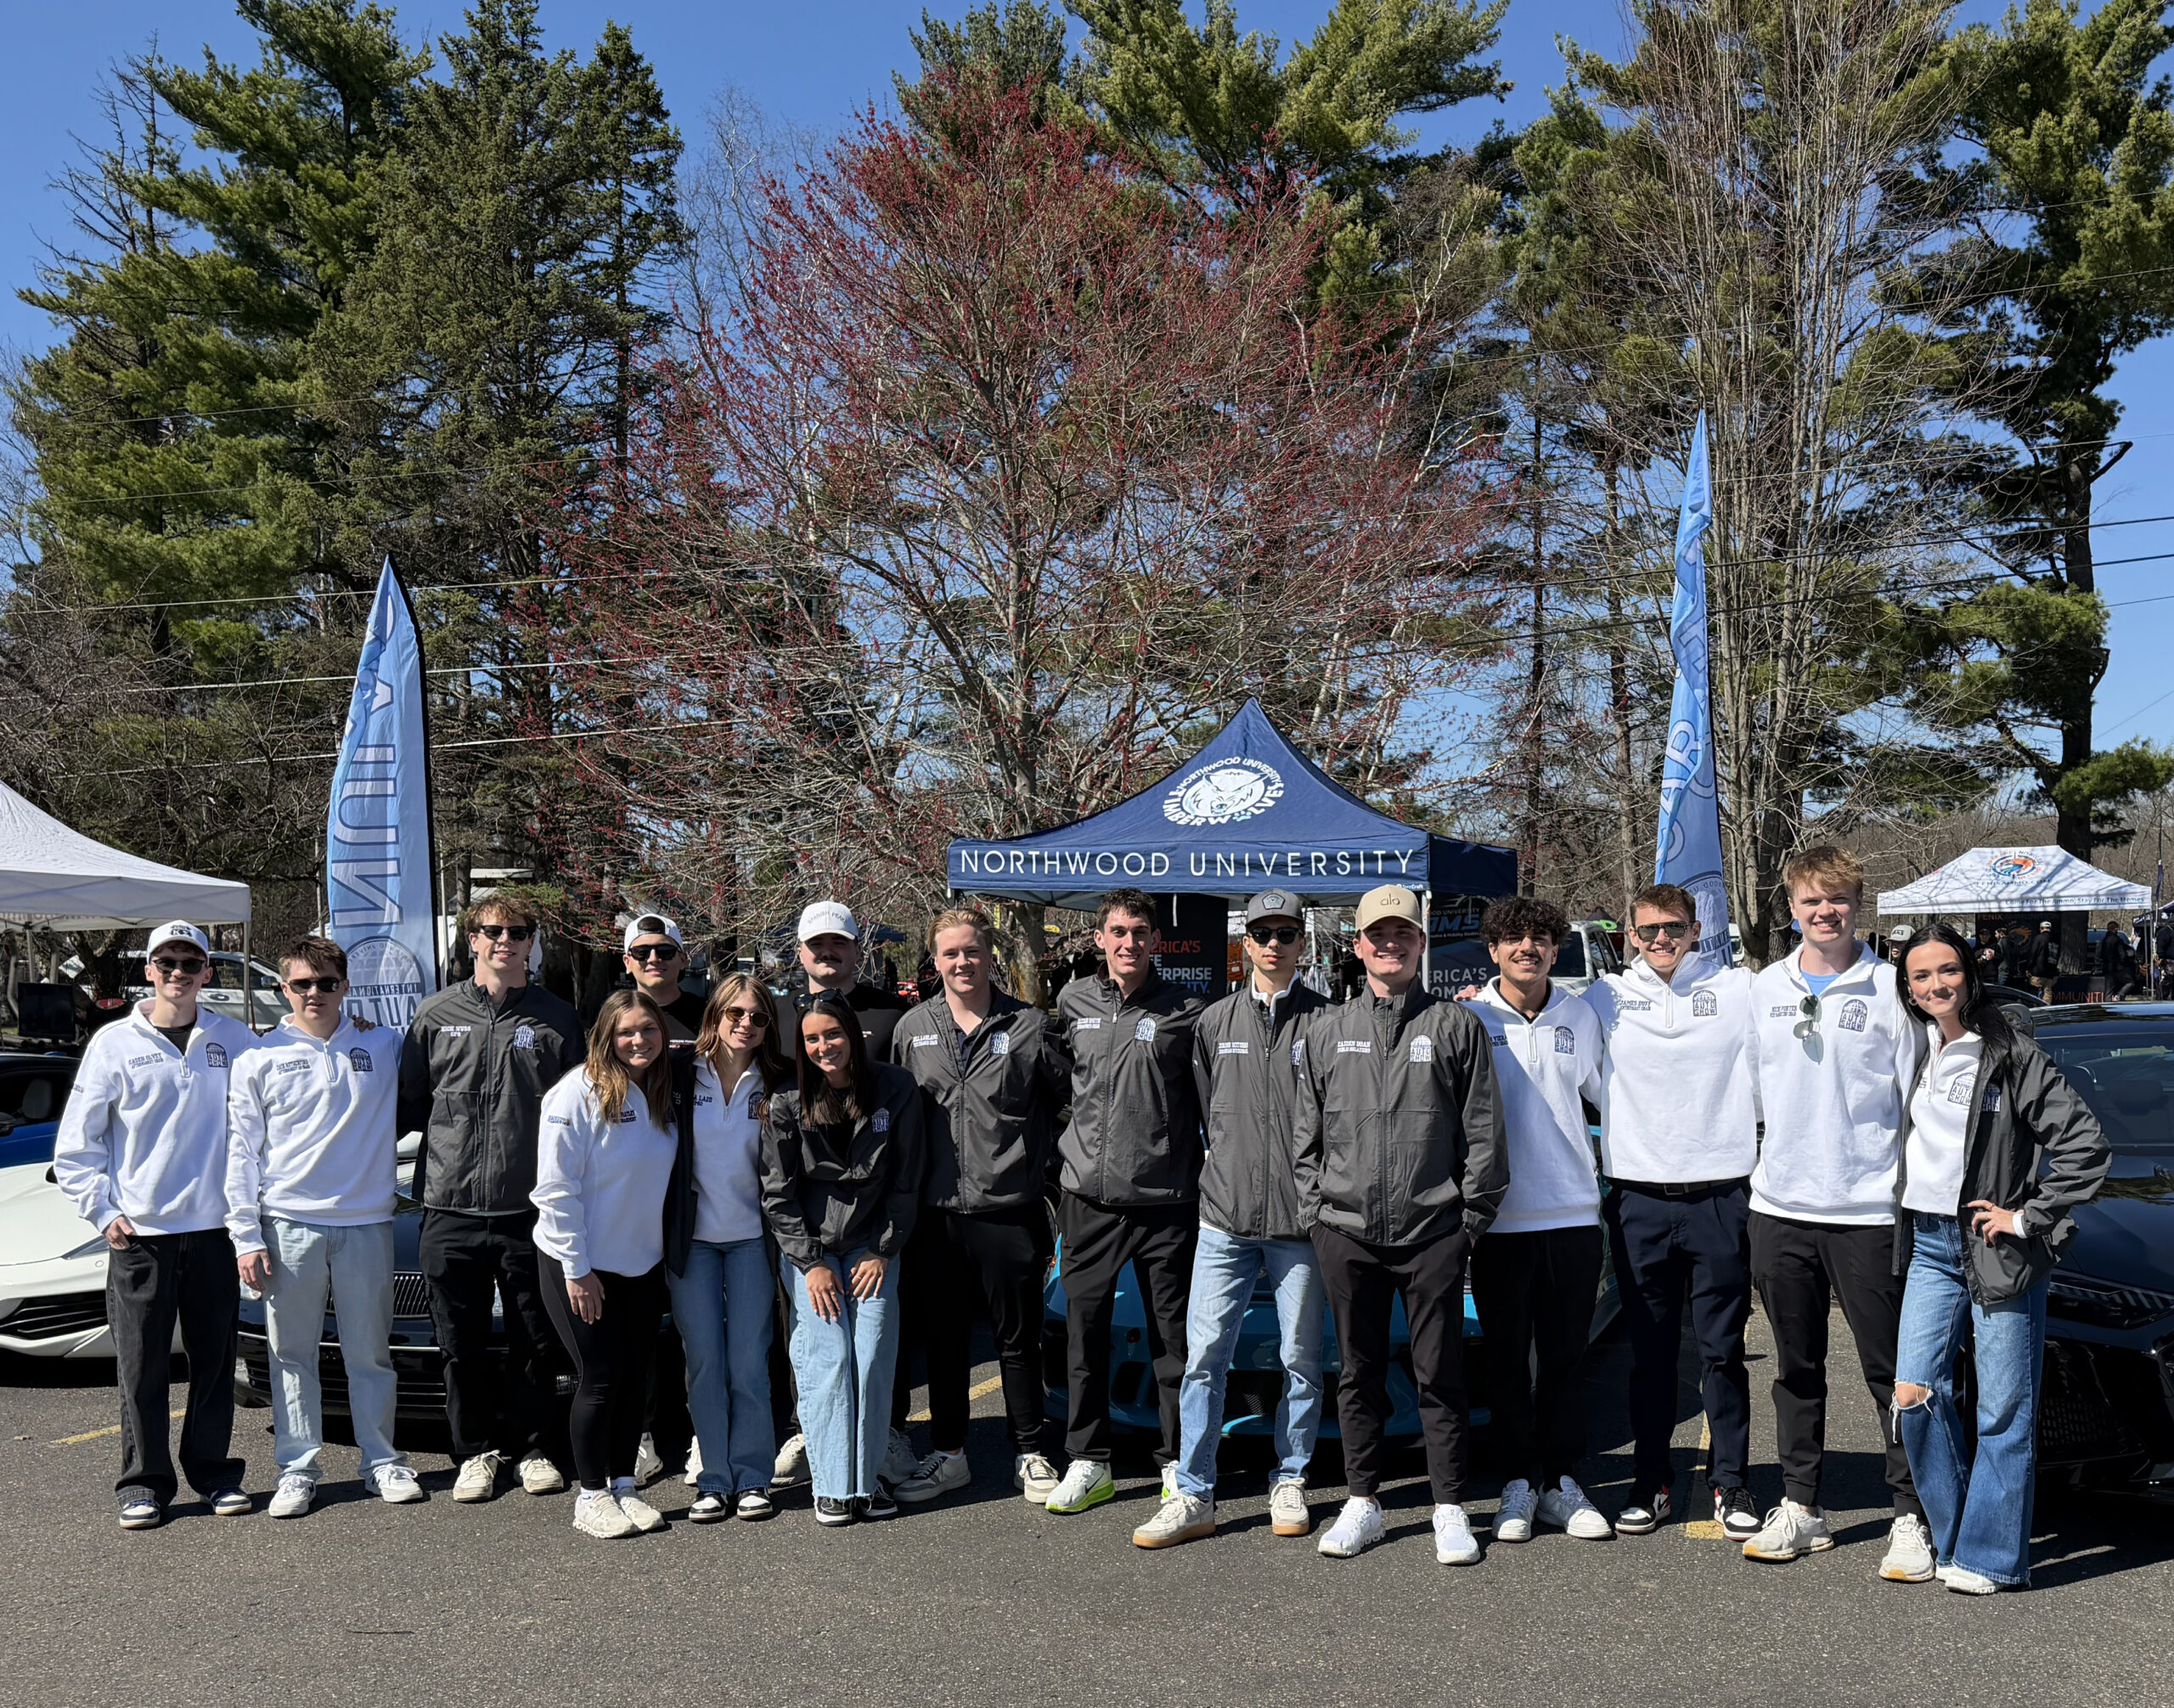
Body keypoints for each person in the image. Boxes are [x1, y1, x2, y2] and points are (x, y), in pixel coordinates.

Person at [1892, 923, 2109, 1593]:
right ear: (1908, 986)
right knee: (1913, 1394)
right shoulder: (1920, 1046)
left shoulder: (2009, 1048)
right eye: (1922, 975)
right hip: (1928, 1244)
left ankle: (1990, 1558)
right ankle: (1958, 1535)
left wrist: (2028, 1215)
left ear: (1970, 970)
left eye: (1947, 970)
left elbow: (2084, 1145)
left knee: (2004, 1411)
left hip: (1994, 1247)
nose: (1936, 984)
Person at [1294, 884, 1507, 1567]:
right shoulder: (1325, 1030)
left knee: (1437, 1373)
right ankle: (1365, 1500)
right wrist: (1317, 1215)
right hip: (1347, 1231)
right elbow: (1304, 1135)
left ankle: (1449, 1505)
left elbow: (1483, 1132)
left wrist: (1470, 1218)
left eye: (1403, 934)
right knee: (1356, 1371)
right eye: (1377, 935)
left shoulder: (1455, 1026)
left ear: (1421, 943)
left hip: (1433, 1231)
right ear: (1357, 946)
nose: (1390, 945)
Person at [1743, 846, 1930, 1580]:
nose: (1826, 912)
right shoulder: (1764, 987)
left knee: (1892, 1372)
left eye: (1839, 900)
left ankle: (1912, 1512)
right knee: (1796, 1368)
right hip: (1781, 1205)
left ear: (1859, 905)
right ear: (1791, 908)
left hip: (1868, 1210)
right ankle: (1802, 1505)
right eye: (1812, 901)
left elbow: (1917, 1094)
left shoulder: (1890, 987)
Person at [1133, 889, 1328, 1549]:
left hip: (1301, 1224)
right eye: (1263, 932)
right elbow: (1206, 1113)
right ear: (1245, 942)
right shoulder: (1214, 1022)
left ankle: (1291, 1475)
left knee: (1301, 1358)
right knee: (1203, 1357)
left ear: (1304, 941)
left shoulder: (1327, 1021)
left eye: (1287, 932)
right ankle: (1193, 1490)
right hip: (1224, 1219)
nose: (1275, 943)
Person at [54, 922, 261, 1529]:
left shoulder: (236, 1039)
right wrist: (103, 1209)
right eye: (166, 961)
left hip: (216, 1231)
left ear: (206, 972)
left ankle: (214, 1471)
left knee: (215, 1362)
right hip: (141, 1234)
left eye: (189, 962)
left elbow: (270, 1112)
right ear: (148, 970)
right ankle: (143, 1483)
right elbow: (77, 1146)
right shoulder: (114, 1044)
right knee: (141, 1365)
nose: (177, 971)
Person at [1582, 882, 1760, 1541]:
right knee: (1651, 1356)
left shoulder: (1739, 989)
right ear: (1629, 933)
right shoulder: (1603, 997)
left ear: (1695, 928)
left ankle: (1733, 1481)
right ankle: (1650, 1480)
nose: (1662, 940)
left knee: (1722, 1352)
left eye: (1675, 928)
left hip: (1721, 1194)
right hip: (1639, 1199)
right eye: (1649, 929)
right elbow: (1542, 1028)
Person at [225, 937, 421, 1518]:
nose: (315, 992)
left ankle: (382, 1460)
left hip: (367, 1222)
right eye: (302, 983)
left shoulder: (382, 1044)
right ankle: (298, 1467)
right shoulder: (257, 1058)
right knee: (292, 1353)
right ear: (283, 988)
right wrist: (246, 1234)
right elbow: (241, 1152)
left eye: (326, 982)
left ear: (345, 986)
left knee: (370, 1353)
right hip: (289, 1223)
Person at [398, 893, 583, 1503]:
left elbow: (581, 1115)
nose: (505, 939)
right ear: (471, 939)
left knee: (536, 1338)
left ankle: (533, 1448)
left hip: (528, 1211)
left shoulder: (559, 1019)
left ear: (533, 942)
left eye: (518, 931)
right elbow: (407, 1106)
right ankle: (475, 1451)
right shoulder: (433, 1014)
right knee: (460, 1342)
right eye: (492, 930)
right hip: (448, 1206)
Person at [887, 907, 1067, 1508]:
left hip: (1008, 1209)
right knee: (943, 1342)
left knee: (1019, 1341)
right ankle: (950, 1453)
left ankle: (1030, 1450)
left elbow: (1066, 1109)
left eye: (972, 950)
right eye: (950, 953)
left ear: (990, 954)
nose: (962, 962)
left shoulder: (1030, 1026)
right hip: (936, 1216)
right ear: (934, 960)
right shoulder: (913, 1028)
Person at [1042, 887, 1207, 1518]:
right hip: (1089, 1199)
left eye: (1140, 932)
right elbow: (1063, 1081)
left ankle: (1175, 1464)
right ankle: (1089, 1461)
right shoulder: (1073, 1000)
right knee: (1085, 1335)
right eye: (1118, 931)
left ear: (1156, 941)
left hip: (1165, 1200)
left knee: (1172, 1343)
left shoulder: (1187, 1010)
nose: (1129, 942)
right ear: (1099, 938)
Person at [1459, 896, 1612, 1544]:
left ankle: (1561, 1479)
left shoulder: (1580, 1014)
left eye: (1541, 938)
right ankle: (1517, 1480)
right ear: (1493, 950)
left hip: (1573, 1214)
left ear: (1555, 949)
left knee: (1564, 1359)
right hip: (1498, 1219)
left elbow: (1611, 1100)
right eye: (1514, 938)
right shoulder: (1467, 1017)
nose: (1528, 947)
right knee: (1503, 1360)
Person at [763, 995, 926, 1525]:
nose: (823, 1047)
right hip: (810, 1250)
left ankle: (867, 1479)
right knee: (829, 1355)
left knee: (873, 1352)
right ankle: (833, 1484)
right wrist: (810, 1263)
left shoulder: (895, 1088)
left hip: (872, 1245)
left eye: (832, 1034)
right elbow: (778, 1194)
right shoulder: (788, 1101)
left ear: (852, 1035)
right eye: (812, 1039)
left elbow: (905, 1180)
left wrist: (882, 1249)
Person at [772, 899, 912, 1490]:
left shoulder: (894, 1015)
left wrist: (886, 1236)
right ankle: (816, 1432)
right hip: (806, 1216)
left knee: (876, 1337)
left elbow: (905, 1139)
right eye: (816, 945)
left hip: (875, 1215)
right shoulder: (777, 1015)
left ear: (859, 948)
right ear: (800, 952)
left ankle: (884, 1436)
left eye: (838, 943)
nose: (827, 953)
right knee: (817, 1339)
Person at [532, 989, 680, 1539]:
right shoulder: (574, 1094)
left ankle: (623, 1484)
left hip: (640, 1265)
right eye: (626, 1031)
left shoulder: (662, 1089)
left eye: (648, 1029)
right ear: (605, 1035)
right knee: (598, 1377)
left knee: (634, 1377)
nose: (638, 1040)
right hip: (579, 1264)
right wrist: (577, 1267)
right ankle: (590, 1495)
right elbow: (554, 1189)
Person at [663, 973, 791, 1522]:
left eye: (758, 1016)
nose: (745, 1024)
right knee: (705, 1363)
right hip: (692, 1242)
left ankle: (754, 1475)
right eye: (735, 1013)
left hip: (750, 1242)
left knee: (748, 1363)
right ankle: (714, 1477)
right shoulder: (678, 1074)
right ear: (714, 1016)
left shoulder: (779, 1082)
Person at [2025, 919, 2061, 999]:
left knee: (2033, 993)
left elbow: (2033, 954)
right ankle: (2046, 1009)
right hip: (2050, 972)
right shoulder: (2055, 940)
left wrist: (2028, 968)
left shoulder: (2039, 938)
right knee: (2048, 994)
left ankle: (2035, 1009)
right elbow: (2058, 956)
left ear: (2041, 929)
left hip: (2038, 972)